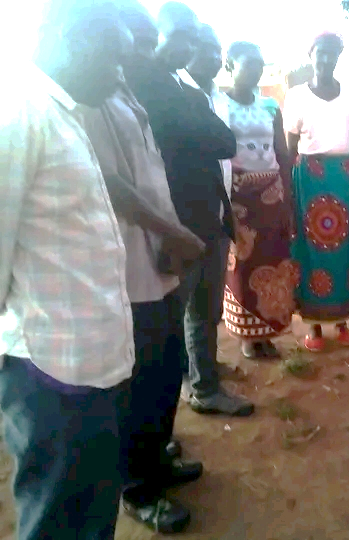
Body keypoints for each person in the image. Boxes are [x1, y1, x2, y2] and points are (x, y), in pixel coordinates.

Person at [0, 2, 134, 538]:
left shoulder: (65, 114)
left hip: (92, 368)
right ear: (67, 39)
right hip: (48, 373)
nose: (120, 73)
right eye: (113, 57)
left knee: (92, 514)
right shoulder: (17, 114)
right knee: (57, 519)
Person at [79, 2, 207, 532]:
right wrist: (170, 231)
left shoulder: (128, 94)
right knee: (140, 375)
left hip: (157, 258)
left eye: (141, 35)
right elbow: (114, 183)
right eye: (132, 35)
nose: (136, 45)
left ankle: (156, 458)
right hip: (127, 265)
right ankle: (137, 487)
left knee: (165, 366)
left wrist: (169, 234)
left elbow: (151, 176)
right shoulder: (91, 101)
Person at [124, 2, 253, 421]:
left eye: (193, 39)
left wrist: (191, 131)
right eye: (180, 36)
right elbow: (181, 140)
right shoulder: (136, 86)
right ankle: (158, 430)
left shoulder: (188, 91)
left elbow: (225, 142)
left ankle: (203, 387)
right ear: (157, 36)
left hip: (209, 222)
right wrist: (194, 130)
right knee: (164, 328)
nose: (188, 46)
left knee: (203, 313)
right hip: (169, 226)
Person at [285, 32, 349, 352]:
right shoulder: (296, 96)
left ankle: (342, 321)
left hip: (345, 180)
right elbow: (290, 146)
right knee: (309, 250)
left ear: (338, 58)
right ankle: (314, 326)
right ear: (311, 55)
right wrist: (289, 188)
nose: (325, 59)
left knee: (342, 250)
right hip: (309, 178)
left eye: (331, 53)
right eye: (320, 53)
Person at [222, 41, 298, 358]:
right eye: (248, 63)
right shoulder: (218, 105)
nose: (255, 69)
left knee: (273, 260)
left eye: (259, 64)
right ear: (229, 66)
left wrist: (287, 199)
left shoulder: (269, 106)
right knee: (242, 264)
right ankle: (246, 337)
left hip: (271, 193)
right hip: (239, 196)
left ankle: (267, 333)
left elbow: (281, 153)